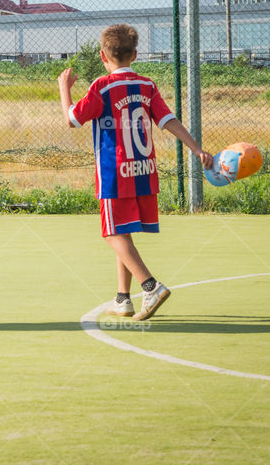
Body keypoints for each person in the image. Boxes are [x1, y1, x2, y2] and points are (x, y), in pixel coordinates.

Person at [57, 24, 212, 321]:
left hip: (115, 172)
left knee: (112, 233)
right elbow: (168, 120)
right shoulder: (146, 85)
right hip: (143, 171)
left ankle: (150, 286)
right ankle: (123, 298)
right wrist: (196, 149)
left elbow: (72, 120)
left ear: (103, 55)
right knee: (124, 233)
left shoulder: (101, 86)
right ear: (135, 54)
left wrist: (64, 88)